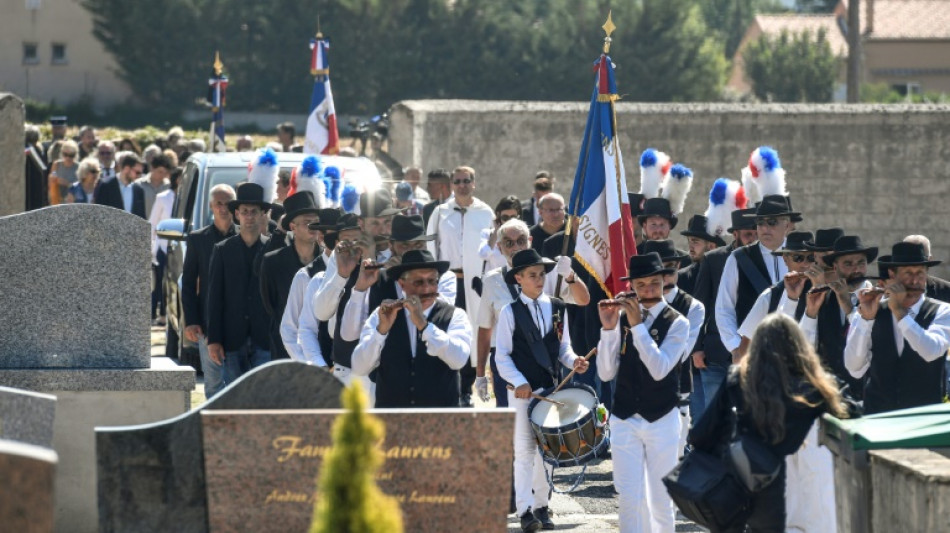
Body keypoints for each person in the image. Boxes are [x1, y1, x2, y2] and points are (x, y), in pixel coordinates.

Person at [689, 313, 848, 533]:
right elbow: (853, 416)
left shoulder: (737, 382)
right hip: (812, 486)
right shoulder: (819, 387)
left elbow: (700, 434)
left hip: (758, 483)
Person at [494, 248, 588, 532]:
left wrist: (575, 361)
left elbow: (564, 347)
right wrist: (519, 381)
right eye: (532, 275)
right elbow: (502, 356)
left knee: (547, 452)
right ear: (518, 279)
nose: (539, 279)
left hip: (550, 390)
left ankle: (542, 506)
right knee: (524, 451)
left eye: (542, 274)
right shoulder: (509, 312)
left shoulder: (557, 306)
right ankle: (524, 511)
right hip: (524, 393)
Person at [597, 252, 690, 533]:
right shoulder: (623, 318)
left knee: (661, 498)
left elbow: (660, 368)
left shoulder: (678, 323)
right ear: (632, 287)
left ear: (664, 282)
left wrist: (637, 327)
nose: (648, 290)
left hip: (661, 418)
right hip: (625, 416)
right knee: (629, 496)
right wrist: (608, 329)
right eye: (641, 285)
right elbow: (605, 372)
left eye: (654, 283)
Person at [475, 219, 589, 408]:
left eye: (521, 240)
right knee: (514, 432)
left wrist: (570, 275)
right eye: (509, 243)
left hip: (547, 364)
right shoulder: (491, 280)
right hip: (510, 368)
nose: (516, 247)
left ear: (530, 240)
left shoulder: (547, 271)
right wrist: (480, 374)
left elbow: (583, 300)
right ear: (499, 246)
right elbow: (485, 329)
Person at [351, 250, 473, 407]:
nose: (427, 289)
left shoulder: (455, 315)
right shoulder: (382, 314)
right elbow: (359, 367)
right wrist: (380, 332)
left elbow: (458, 360)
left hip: (441, 420)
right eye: (418, 282)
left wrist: (425, 326)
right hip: (392, 419)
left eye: (432, 281)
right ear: (402, 284)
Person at [844, 241, 950, 414]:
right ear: (893, 275)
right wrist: (865, 320)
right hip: (878, 419)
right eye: (908, 273)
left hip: (923, 421)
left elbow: (931, 351)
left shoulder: (942, 311)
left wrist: (900, 312)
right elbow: (854, 368)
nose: (915, 280)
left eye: (920, 273)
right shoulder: (873, 311)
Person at [426, 166, 495, 407]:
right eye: (458, 181)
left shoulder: (485, 212)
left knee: (473, 331)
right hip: (447, 281)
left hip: (475, 284)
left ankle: (465, 388)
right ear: (451, 185)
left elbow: (491, 250)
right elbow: (431, 246)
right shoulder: (440, 212)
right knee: (445, 329)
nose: (462, 185)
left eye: (467, 181)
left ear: (474, 183)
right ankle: (446, 386)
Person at [640, 240, 706, 452]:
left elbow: (682, 352)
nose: (666, 273)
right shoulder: (633, 304)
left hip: (676, 390)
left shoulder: (693, 306)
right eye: (660, 267)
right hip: (637, 392)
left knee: (673, 460)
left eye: (672, 266)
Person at [691, 207, 758, 412]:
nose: (752, 239)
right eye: (747, 235)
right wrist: (696, 348)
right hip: (716, 352)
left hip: (752, 351)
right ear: (735, 234)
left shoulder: (764, 259)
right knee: (715, 418)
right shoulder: (714, 259)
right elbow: (699, 306)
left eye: (755, 234)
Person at [716, 195, 797, 363]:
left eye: (772, 222)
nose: (765, 228)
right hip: (753, 354)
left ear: (787, 225)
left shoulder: (802, 256)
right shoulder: (738, 258)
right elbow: (724, 309)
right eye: (760, 223)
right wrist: (736, 347)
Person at [206, 182, 273, 385]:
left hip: (265, 338)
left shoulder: (273, 250)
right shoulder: (222, 250)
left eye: (254, 212)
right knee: (235, 399)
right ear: (237, 214)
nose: (249, 216)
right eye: (245, 211)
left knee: (264, 397)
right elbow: (214, 298)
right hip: (232, 338)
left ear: (263, 214)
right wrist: (214, 340)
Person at [797, 235, 878, 400]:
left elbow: (870, 341)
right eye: (848, 264)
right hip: (830, 394)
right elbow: (804, 346)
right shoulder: (823, 298)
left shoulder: (879, 300)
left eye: (861, 263)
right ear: (835, 267)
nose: (856, 270)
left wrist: (848, 307)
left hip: (868, 394)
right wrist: (811, 312)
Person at [182, 184, 236, 399]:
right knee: (213, 384)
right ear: (211, 206)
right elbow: (187, 283)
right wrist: (191, 320)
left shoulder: (245, 236)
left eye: (228, 204)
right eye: (219, 203)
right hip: (207, 323)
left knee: (236, 382)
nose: (224, 208)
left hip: (238, 323)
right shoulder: (198, 239)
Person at [259, 191, 322, 360]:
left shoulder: (328, 261)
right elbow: (269, 304)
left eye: (316, 222)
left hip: (321, 346)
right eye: (307, 223)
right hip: (283, 346)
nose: (313, 227)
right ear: (293, 226)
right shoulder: (273, 262)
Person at [736, 231, 817, 350]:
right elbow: (745, 346)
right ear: (785, 259)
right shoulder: (771, 295)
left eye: (810, 258)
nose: (805, 264)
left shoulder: (825, 293)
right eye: (798, 258)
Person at [281, 208, 340, 364]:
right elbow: (290, 331)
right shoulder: (306, 276)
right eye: (334, 234)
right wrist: (314, 367)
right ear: (321, 237)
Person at [149, 167, 182, 325]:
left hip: (180, 247)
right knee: (160, 281)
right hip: (163, 246)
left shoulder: (188, 198)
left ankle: (169, 314)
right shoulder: (163, 198)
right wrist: (150, 247)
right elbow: (153, 222)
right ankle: (159, 314)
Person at [677, 214, 726, 296]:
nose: (690, 246)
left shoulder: (726, 274)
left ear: (711, 246)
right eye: (689, 241)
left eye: (695, 241)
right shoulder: (682, 277)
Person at [93, 153, 146, 218]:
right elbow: (99, 213)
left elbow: (142, 218)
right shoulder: (106, 186)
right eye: (137, 173)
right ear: (126, 169)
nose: (139, 176)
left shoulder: (139, 190)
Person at [478, 196, 522, 274]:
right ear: (499, 216)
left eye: (513, 218)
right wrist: (495, 233)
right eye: (505, 217)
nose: (509, 221)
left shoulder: (523, 235)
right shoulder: (488, 234)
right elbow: (483, 255)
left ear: (518, 216)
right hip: (495, 282)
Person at [902, 235, 950, 303]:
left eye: (919, 272)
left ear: (930, 259)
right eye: (908, 272)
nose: (914, 281)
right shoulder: (890, 294)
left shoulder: (946, 291)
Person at [135, 154, 172, 219]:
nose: (163, 175)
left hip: (162, 227)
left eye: (165, 173)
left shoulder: (169, 187)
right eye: (160, 172)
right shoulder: (138, 185)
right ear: (152, 168)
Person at [48, 139, 80, 205]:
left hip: (73, 202)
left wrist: (68, 184)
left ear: (75, 155)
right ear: (61, 153)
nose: (68, 158)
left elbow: (80, 187)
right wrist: (55, 178)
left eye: (71, 155)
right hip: (57, 201)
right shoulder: (56, 164)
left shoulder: (78, 167)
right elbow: (53, 175)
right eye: (65, 154)